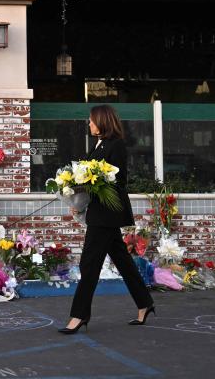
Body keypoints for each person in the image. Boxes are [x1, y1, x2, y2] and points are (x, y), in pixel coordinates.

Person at [59, 104, 154, 334]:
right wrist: (78, 197)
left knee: (89, 264)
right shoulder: (98, 144)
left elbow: (118, 181)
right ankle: (145, 303)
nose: (89, 124)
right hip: (99, 213)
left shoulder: (116, 145)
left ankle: (79, 315)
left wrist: (94, 181)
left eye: (91, 120)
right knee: (122, 260)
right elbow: (92, 177)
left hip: (106, 215)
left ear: (102, 121)